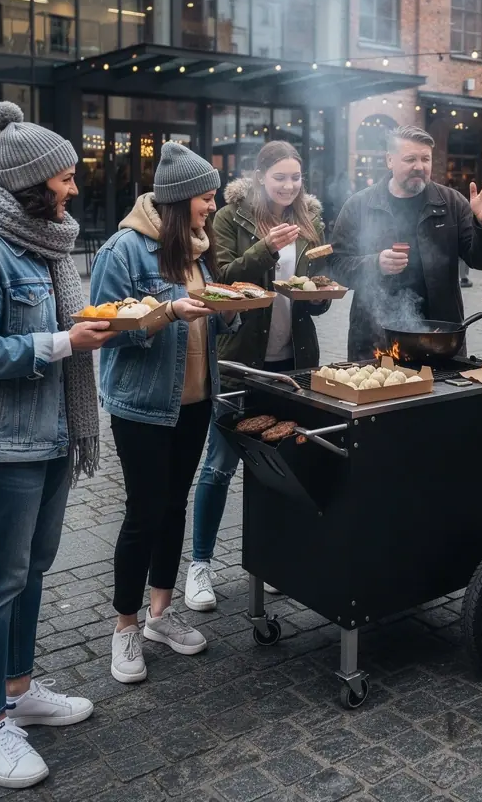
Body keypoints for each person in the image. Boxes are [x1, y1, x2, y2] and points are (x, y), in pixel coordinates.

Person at [0, 101, 114, 789]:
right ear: (32, 184)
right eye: (64, 179)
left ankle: (19, 688)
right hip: (0, 445)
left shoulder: (43, 245)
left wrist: (92, 331)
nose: (73, 188)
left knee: (32, 571)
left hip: (49, 436)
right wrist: (64, 342)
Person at [90, 143, 239, 684]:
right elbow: (107, 330)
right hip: (143, 406)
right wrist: (166, 312)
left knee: (174, 506)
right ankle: (124, 627)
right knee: (145, 511)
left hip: (197, 399)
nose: (212, 205)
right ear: (179, 201)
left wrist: (229, 309)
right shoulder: (124, 251)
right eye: (205, 196)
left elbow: (211, 321)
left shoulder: (197, 248)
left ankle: (160, 614)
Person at [185, 141, 330, 611]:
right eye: (280, 178)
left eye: (296, 177)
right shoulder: (231, 217)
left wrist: (321, 292)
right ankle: (201, 565)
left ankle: (274, 560)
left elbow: (317, 291)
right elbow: (222, 278)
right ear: (260, 177)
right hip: (241, 358)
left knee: (284, 462)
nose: (290, 186)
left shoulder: (309, 216)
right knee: (220, 462)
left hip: (293, 360)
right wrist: (266, 249)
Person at [331, 125, 482, 360]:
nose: (419, 167)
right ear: (390, 160)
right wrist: (375, 264)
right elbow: (336, 265)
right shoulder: (360, 205)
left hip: (439, 340)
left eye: (425, 159)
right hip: (375, 340)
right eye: (410, 159)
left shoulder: (451, 203)